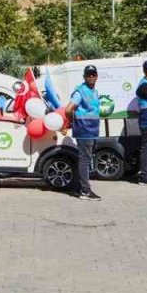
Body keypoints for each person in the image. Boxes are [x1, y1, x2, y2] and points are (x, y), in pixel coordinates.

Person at [64, 64, 102, 200]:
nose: (91, 77)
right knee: (85, 161)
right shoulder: (80, 92)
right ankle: (85, 191)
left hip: (92, 131)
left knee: (84, 160)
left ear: (97, 76)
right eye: (88, 75)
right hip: (84, 130)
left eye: (93, 74)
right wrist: (72, 122)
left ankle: (78, 187)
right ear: (84, 77)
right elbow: (68, 110)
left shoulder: (94, 91)